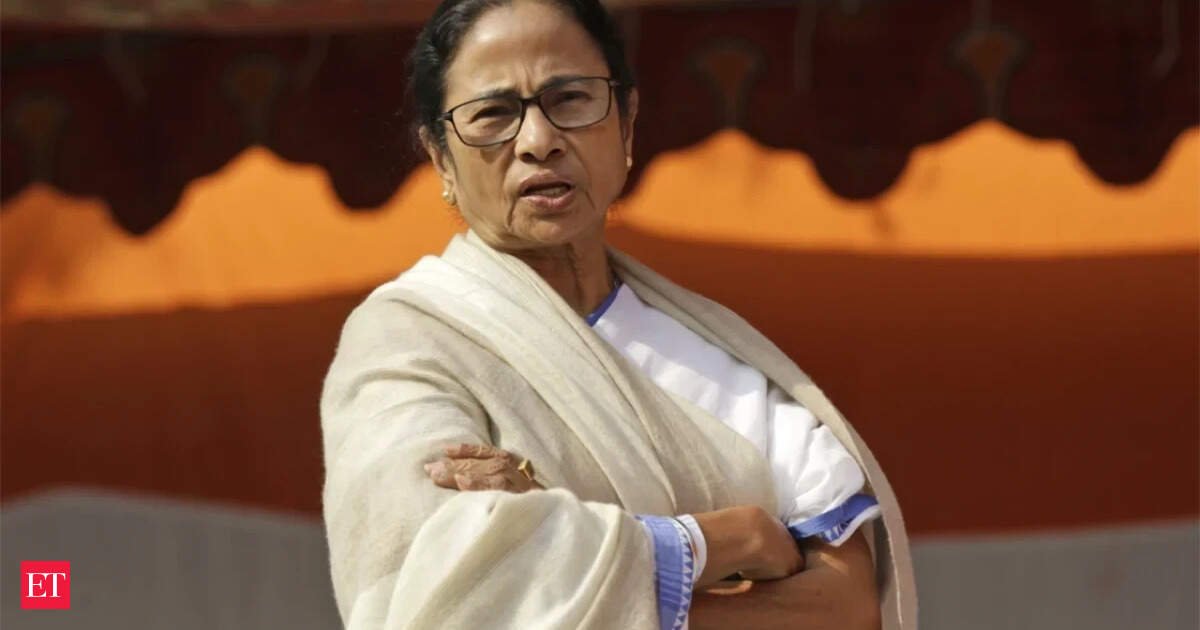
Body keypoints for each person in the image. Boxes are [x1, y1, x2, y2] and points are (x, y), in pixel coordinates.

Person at [320, 1, 916, 628]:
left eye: (571, 100)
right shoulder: (405, 343)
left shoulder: (725, 361)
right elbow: (443, 584)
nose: (538, 140)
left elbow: (849, 606)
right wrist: (729, 538)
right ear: (441, 157)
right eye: (493, 114)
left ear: (626, 126)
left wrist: (563, 542)